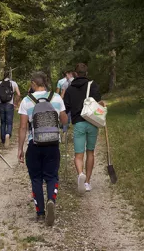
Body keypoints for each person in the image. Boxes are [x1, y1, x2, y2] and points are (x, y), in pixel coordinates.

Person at [17, 72, 68, 226]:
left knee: (36, 179)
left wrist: (20, 148)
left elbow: (23, 127)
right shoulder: (56, 98)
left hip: (35, 144)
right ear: (45, 83)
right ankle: (51, 200)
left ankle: (40, 212)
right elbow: (64, 120)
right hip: (53, 143)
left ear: (33, 83)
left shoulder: (27, 100)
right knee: (52, 176)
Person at [63, 63, 104, 194]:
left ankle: (81, 174)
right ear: (86, 73)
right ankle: (87, 182)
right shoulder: (93, 85)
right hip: (92, 122)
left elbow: (66, 108)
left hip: (78, 123)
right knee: (90, 152)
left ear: (75, 74)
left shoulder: (70, 89)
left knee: (78, 154)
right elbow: (98, 102)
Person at [0, 71, 21, 145]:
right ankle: (8, 134)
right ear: (9, 76)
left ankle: (3, 140)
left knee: (3, 122)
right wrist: (15, 103)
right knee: (9, 122)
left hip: (0, 104)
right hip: (9, 104)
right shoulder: (13, 83)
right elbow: (18, 94)